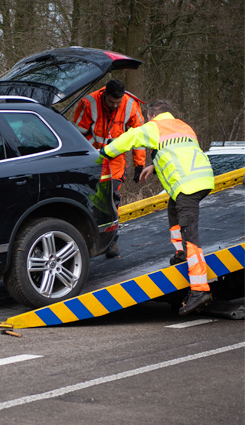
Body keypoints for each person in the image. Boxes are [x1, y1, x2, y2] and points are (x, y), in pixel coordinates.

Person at [97, 100, 215, 315]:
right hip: (202, 180)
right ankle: (180, 254)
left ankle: (199, 289)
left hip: (187, 186)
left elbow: (129, 138)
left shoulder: (154, 127)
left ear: (151, 115)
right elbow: (181, 151)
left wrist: (104, 152)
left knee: (192, 237)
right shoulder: (183, 126)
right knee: (173, 209)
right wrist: (153, 165)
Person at [74, 79, 146, 258]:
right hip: (92, 159)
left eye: (117, 102)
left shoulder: (130, 106)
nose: (114, 106)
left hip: (115, 161)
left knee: (112, 199)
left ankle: (112, 240)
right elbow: (76, 133)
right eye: (111, 102)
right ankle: (90, 239)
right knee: (90, 200)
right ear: (104, 94)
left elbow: (139, 137)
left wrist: (139, 164)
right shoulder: (89, 104)